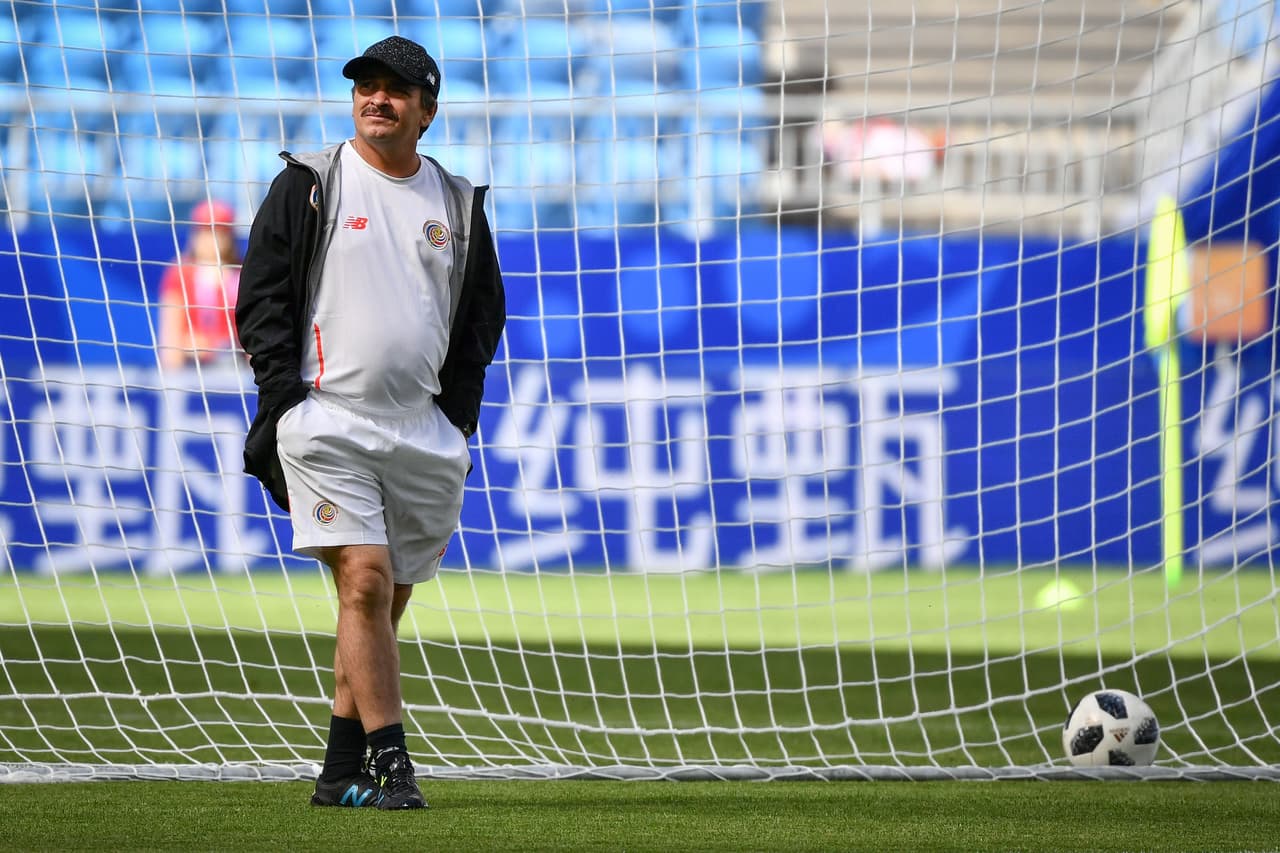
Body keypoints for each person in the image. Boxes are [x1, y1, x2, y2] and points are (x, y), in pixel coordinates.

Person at [235, 35, 506, 810]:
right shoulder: (311, 183)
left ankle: (337, 767)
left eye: (396, 89)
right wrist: (287, 400)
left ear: (427, 110)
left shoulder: (456, 201)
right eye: (366, 85)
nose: (376, 98)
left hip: (422, 429)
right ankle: (393, 765)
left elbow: (482, 316)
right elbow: (262, 298)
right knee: (363, 578)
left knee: (384, 600)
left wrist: (457, 419)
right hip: (326, 420)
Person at [158, 199, 242, 370]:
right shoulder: (181, 274)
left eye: (219, 232)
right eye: (206, 231)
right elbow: (170, 341)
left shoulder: (243, 273)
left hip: (236, 368)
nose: (212, 239)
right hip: (193, 368)